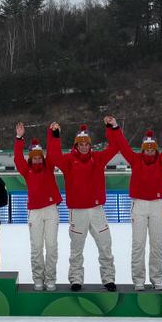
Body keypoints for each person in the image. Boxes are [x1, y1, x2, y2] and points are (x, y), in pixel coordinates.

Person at [48, 118, 121, 291]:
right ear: (76, 145)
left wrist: (111, 128)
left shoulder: (99, 158)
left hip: (97, 210)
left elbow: (115, 147)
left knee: (105, 245)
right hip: (77, 211)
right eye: (80, 144)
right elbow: (53, 156)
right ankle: (76, 279)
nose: (83, 147)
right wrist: (54, 136)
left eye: (86, 144)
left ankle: (108, 278)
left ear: (90, 145)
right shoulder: (67, 161)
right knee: (76, 249)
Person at [108, 122, 162, 290]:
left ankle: (156, 278)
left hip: (157, 205)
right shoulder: (135, 160)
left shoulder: (161, 161)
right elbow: (123, 145)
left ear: (156, 150)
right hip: (139, 205)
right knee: (138, 244)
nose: (149, 152)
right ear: (142, 149)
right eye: (147, 149)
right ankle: (138, 280)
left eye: (152, 149)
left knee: (157, 244)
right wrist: (115, 128)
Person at [14, 122, 62, 290]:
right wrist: (19, 138)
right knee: (36, 247)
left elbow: (53, 150)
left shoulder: (49, 167)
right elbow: (17, 158)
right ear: (30, 158)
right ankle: (38, 278)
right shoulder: (26, 171)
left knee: (51, 246)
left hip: (50, 210)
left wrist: (52, 133)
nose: (37, 159)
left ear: (42, 157)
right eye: (34, 157)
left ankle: (50, 278)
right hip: (34, 212)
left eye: (39, 157)